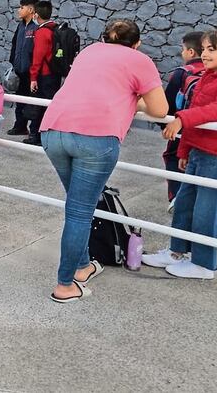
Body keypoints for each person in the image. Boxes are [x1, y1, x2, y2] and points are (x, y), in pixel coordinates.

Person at [41, 19, 167, 303]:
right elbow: (160, 109)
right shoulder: (140, 60)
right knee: (80, 212)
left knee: (78, 207)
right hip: (96, 138)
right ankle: (65, 286)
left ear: (104, 38)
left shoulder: (89, 52)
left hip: (52, 131)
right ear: (137, 43)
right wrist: (135, 98)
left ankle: (83, 266)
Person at [146, 29, 217, 280]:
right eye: (204, 49)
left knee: (206, 210)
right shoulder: (207, 77)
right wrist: (184, 150)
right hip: (197, 152)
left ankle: (204, 264)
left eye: (212, 49)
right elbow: (196, 110)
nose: (205, 54)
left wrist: (181, 119)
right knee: (183, 204)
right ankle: (177, 251)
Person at [161, 31, 205, 208]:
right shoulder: (216, 71)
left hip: (182, 128)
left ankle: (176, 197)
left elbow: (168, 105)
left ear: (191, 52)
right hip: (209, 130)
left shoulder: (182, 73)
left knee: (172, 157)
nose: (182, 53)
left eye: (183, 49)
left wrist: (167, 126)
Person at [25, 0, 60, 146]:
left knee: (38, 106)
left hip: (44, 75)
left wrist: (33, 78)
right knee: (48, 105)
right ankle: (46, 134)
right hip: (55, 73)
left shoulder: (42, 32)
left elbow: (37, 57)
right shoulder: (55, 29)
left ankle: (36, 135)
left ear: (36, 15)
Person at [8, 0, 38, 138]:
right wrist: (13, 63)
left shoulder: (37, 27)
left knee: (33, 102)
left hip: (32, 73)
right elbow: (14, 45)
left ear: (31, 10)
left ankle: (34, 131)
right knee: (20, 100)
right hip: (20, 71)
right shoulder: (20, 26)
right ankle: (20, 126)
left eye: (21, 7)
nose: (19, 10)